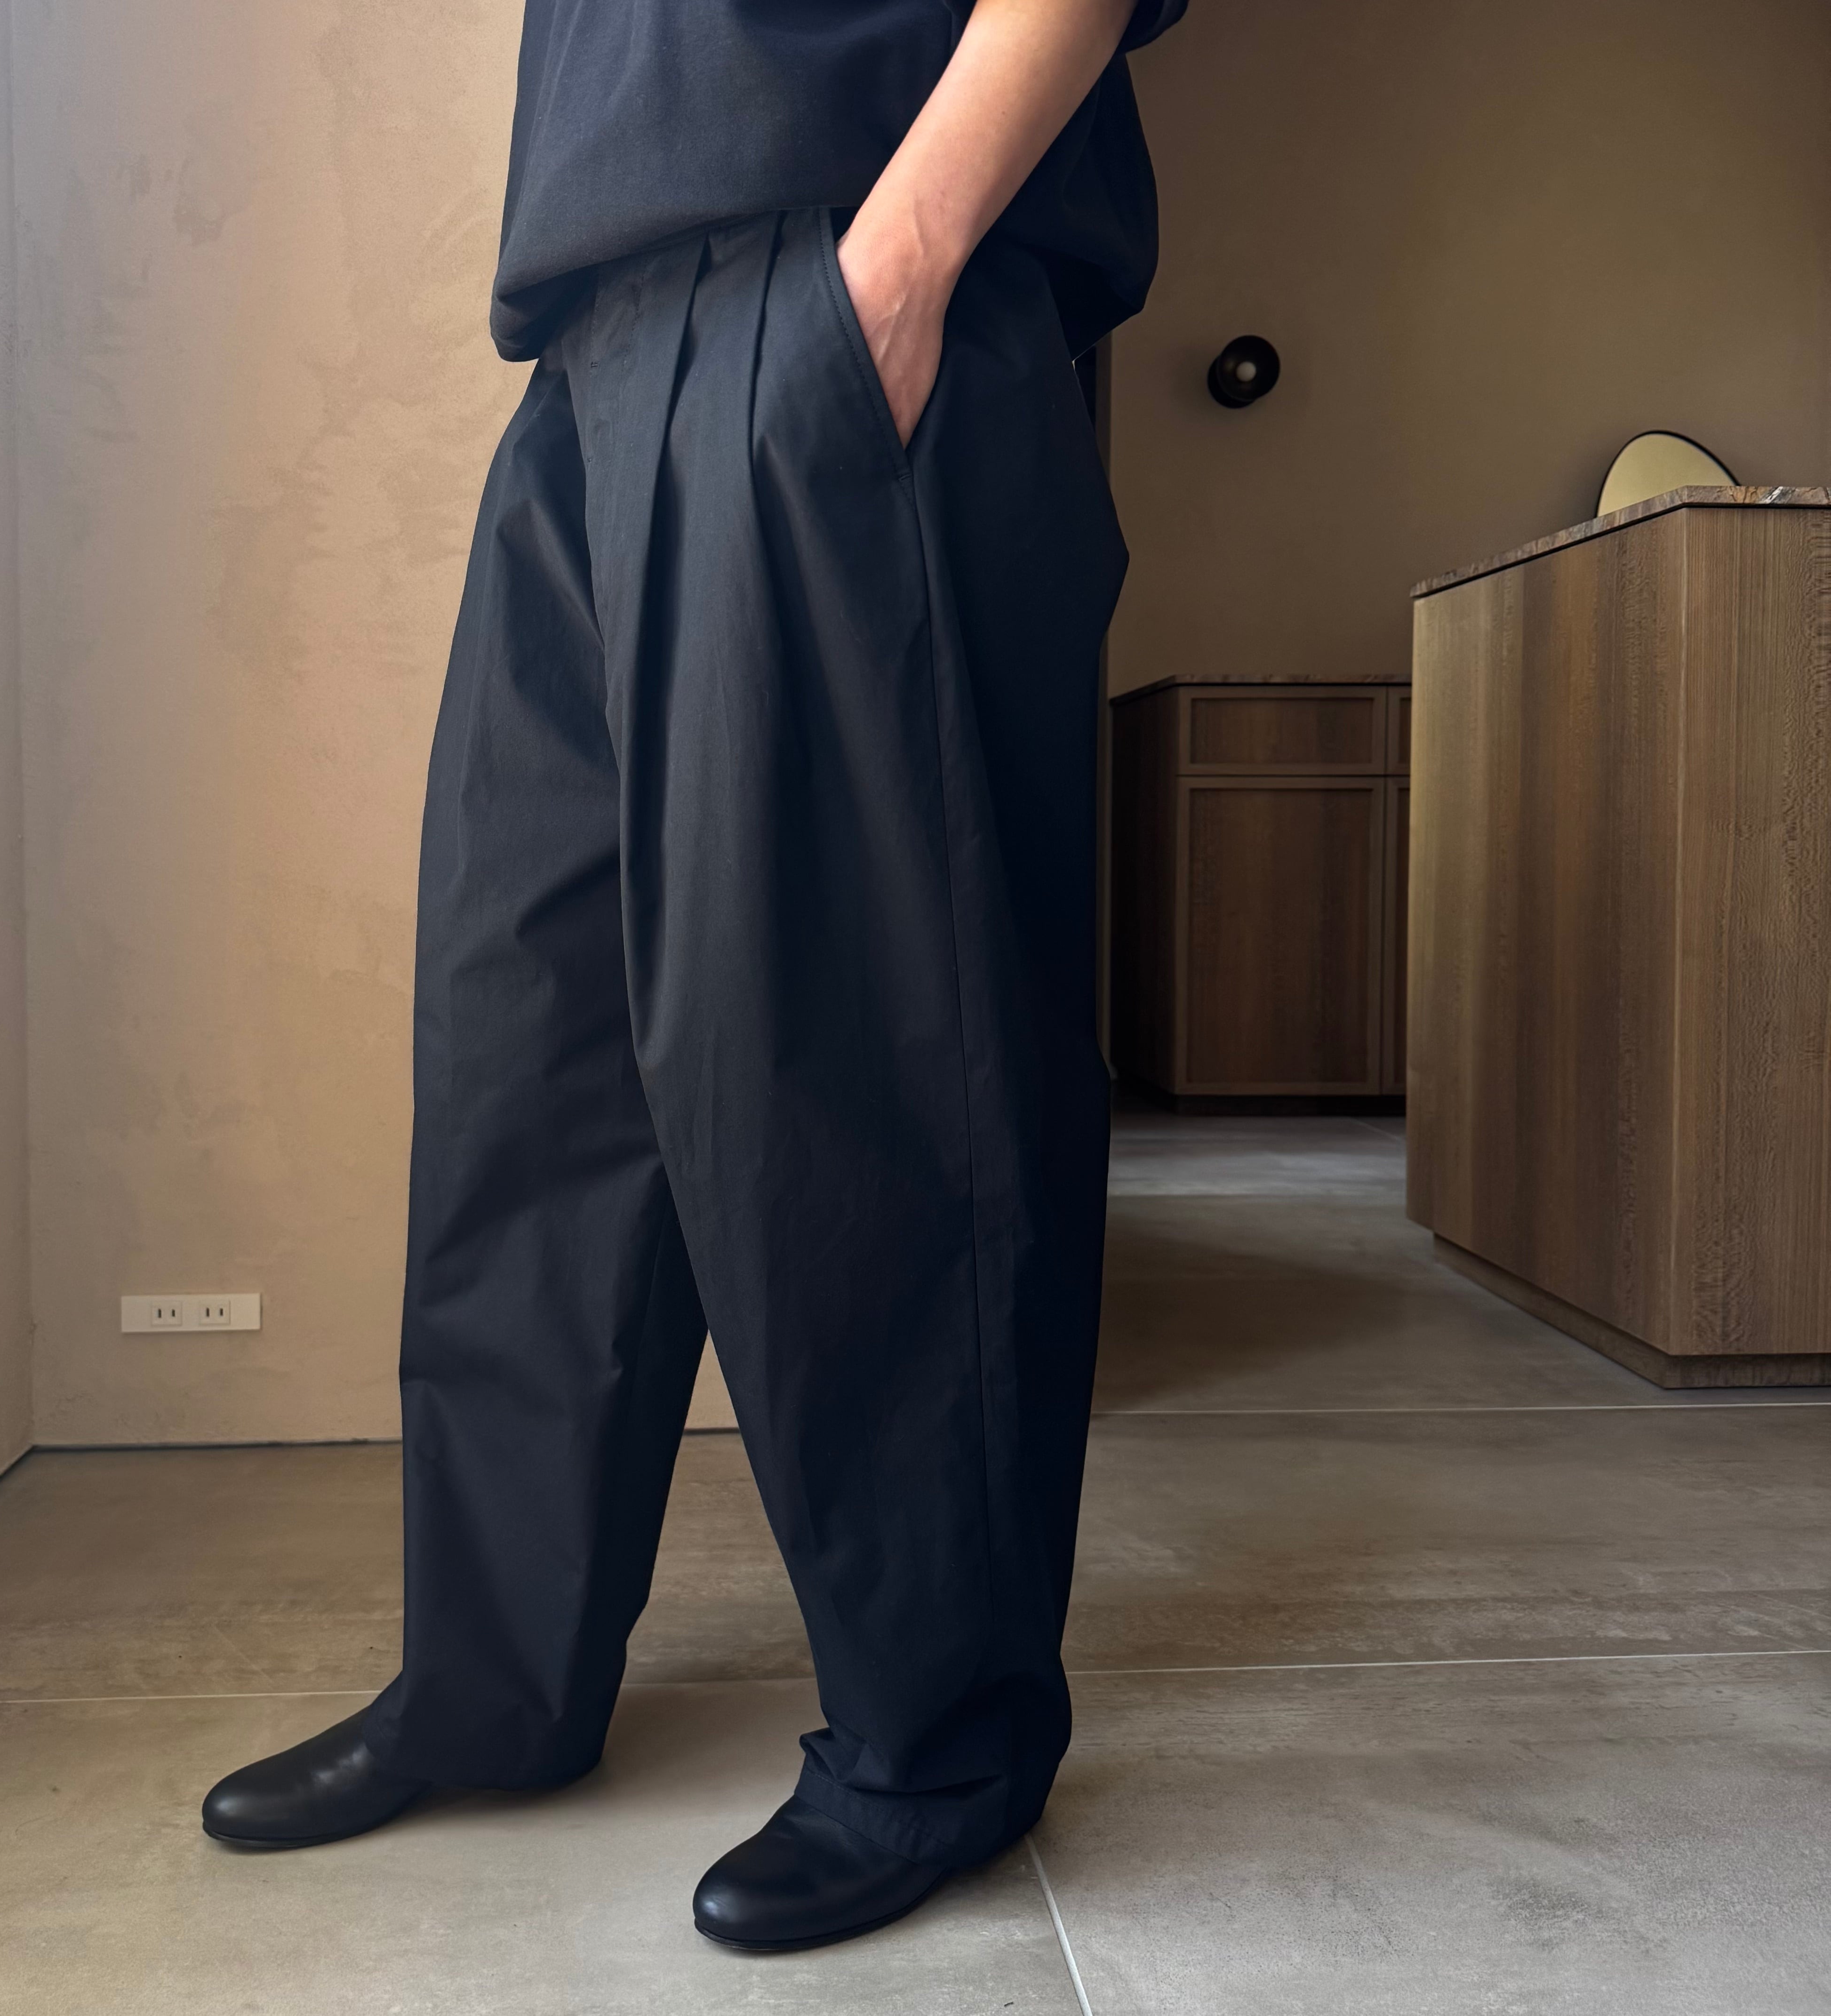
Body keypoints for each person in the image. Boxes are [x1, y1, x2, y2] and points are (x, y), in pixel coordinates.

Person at [201, 0, 1187, 1952]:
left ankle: (941, 1737)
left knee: (861, 1067)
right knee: (527, 1057)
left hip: (840, 282)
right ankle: (496, 1679)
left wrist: (898, 266)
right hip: (590, 345)